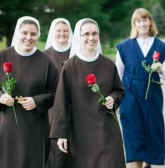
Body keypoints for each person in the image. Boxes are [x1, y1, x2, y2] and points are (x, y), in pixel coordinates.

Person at [49, 18, 126, 168]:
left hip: (107, 129)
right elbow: (61, 103)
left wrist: (112, 98)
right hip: (81, 131)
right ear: (79, 37)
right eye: (86, 34)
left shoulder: (108, 64)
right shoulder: (69, 67)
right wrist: (61, 134)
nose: (91, 38)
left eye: (94, 34)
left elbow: (119, 91)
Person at [0, 16, 58, 168]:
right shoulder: (2, 57)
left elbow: (56, 91)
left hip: (35, 126)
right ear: (17, 33)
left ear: (38, 35)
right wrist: (0, 97)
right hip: (9, 126)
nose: (28, 37)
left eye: (33, 34)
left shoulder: (45, 62)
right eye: (24, 33)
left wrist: (37, 101)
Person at [115, 8, 165, 168]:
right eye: (138, 21)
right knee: (133, 135)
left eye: (145, 20)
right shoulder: (124, 47)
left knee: (151, 132)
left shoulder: (161, 47)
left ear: (150, 22)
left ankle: (148, 165)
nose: (142, 23)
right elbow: (118, 74)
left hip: (152, 95)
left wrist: (160, 69)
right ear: (134, 24)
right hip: (130, 96)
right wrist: (118, 101)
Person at [44, 18, 73, 168]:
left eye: (65, 30)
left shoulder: (77, 52)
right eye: (59, 30)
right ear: (53, 33)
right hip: (52, 111)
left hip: (75, 109)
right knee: (55, 155)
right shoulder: (44, 56)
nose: (62, 34)